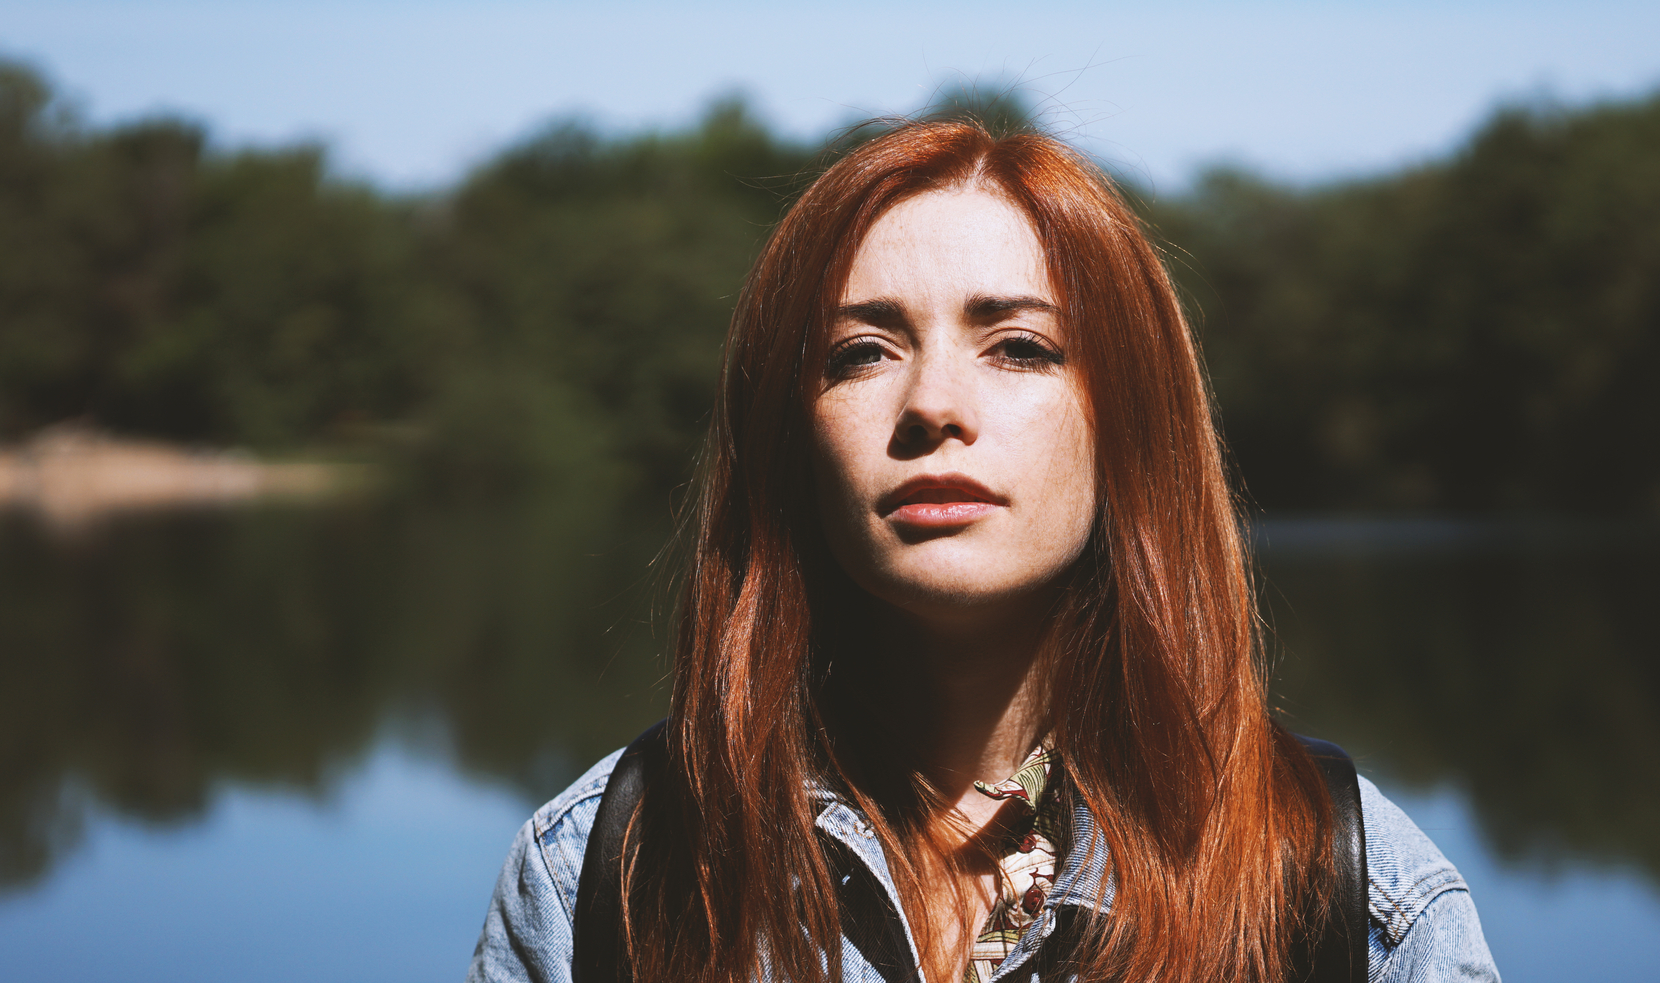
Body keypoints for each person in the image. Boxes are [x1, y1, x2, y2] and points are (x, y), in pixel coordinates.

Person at [468, 119, 1499, 983]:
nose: (932, 405)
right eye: (861, 352)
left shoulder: (1342, 894)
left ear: (1126, 425)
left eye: (1017, 347)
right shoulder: (611, 871)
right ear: (791, 440)